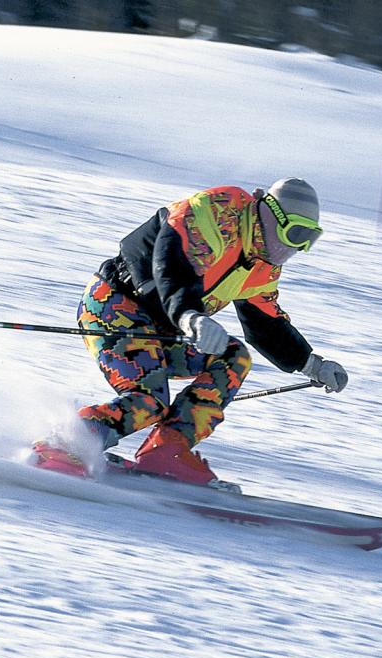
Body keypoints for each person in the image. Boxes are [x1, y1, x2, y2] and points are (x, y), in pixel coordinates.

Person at [33, 178, 349, 485]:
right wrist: (189, 316)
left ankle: (166, 451)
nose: (298, 248)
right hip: (116, 305)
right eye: (295, 233)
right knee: (150, 401)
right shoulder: (219, 212)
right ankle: (65, 443)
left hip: (169, 327)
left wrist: (311, 364)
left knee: (232, 357)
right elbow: (171, 264)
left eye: (310, 239)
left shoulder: (262, 264)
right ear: (270, 215)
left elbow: (266, 324)